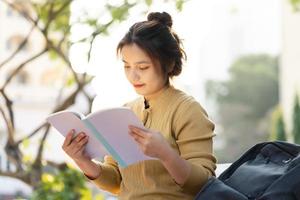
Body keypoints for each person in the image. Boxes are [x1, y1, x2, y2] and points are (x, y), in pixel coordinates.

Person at [62, 11, 216, 200]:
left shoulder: (187, 109)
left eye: (143, 67)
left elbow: (204, 184)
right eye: (127, 66)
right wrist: (82, 160)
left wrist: (166, 154)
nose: (133, 76)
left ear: (168, 64)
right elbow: (117, 183)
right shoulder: (124, 111)